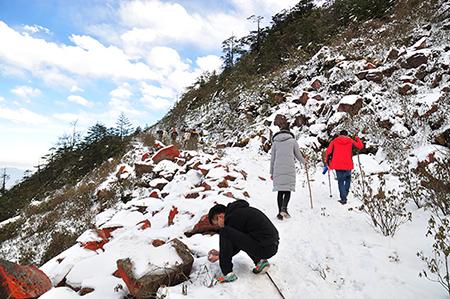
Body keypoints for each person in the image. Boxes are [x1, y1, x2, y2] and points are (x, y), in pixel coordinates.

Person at [207, 200, 279, 283]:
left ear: (219, 217)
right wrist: (221, 254)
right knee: (241, 234)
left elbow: (235, 244)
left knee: (224, 231)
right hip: (271, 245)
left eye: (217, 223)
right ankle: (260, 261)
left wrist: (222, 256)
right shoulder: (239, 212)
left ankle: (227, 273)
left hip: (264, 247)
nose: (218, 226)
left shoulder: (233, 217)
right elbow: (239, 242)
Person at [270, 123, 306, 220]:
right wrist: (304, 162)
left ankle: (279, 213)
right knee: (287, 189)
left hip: (277, 168)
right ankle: (284, 208)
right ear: (289, 132)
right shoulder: (293, 141)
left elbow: (272, 159)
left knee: (280, 191)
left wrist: (271, 172)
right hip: (289, 168)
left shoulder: (275, 143)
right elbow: (298, 155)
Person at [324, 130, 364, 204]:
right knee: (348, 178)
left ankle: (343, 198)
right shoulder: (350, 140)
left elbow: (328, 152)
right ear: (347, 135)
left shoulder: (334, 141)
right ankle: (345, 193)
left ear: (340, 135)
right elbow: (360, 146)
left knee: (341, 181)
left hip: (337, 165)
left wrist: (327, 162)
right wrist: (357, 138)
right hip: (348, 164)